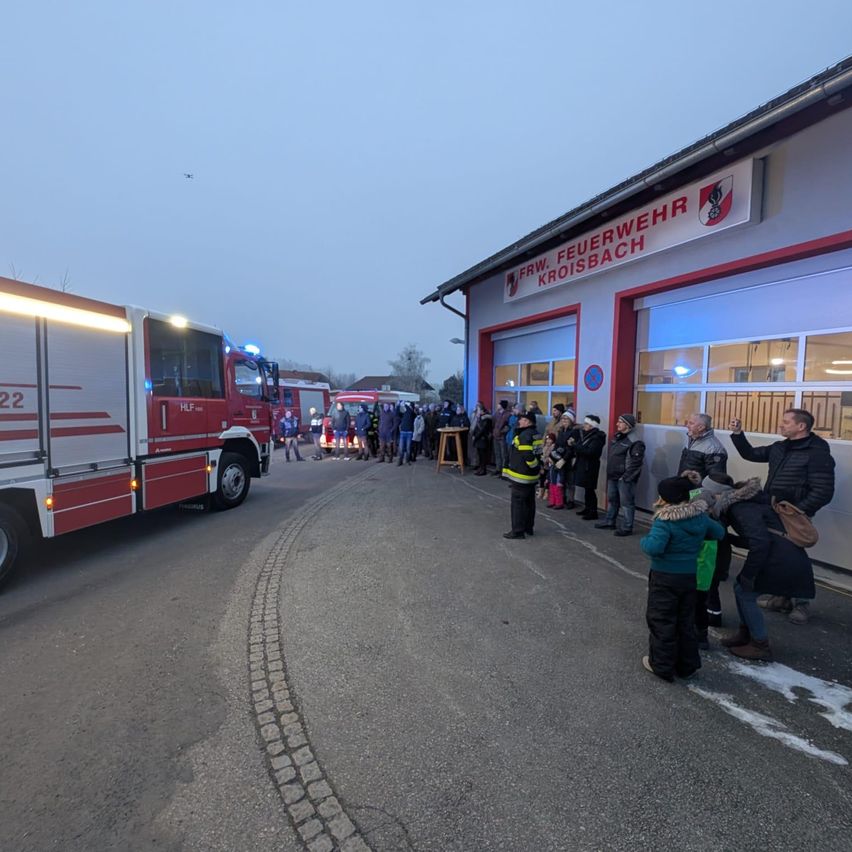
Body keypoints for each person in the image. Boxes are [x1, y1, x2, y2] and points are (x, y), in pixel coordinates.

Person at [730, 408, 835, 624]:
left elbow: (823, 491)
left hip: (793, 513)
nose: (781, 425)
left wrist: (798, 511)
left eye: (786, 422)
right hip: (773, 509)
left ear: (801, 426)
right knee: (778, 555)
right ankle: (781, 598)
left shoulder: (817, 453)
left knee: (796, 558)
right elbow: (750, 454)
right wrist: (738, 435)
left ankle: (802, 603)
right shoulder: (779, 448)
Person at [714, 477, 816, 660]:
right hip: (783, 556)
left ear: (720, 495)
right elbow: (759, 536)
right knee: (740, 589)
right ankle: (746, 634)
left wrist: (749, 574)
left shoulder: (741, 508)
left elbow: (760, 542)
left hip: (781, 560)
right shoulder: (752, 503)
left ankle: (760, 644)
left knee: (745, 592)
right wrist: (729, 539)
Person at [640, 476, 726, 681]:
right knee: (685, 619)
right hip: (688, 577)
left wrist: (644, 541)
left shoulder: (665, 520)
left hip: (664, 577)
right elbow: (719, 533)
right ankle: (687, 665)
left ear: (666, 498)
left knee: (662, 619)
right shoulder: (700, 517)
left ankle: (661, 665)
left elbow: (654, 548)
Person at [678, 413, 728, 626]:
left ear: (701, 426)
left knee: (706, 567)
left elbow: (714, 482)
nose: (686, 424)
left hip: (699, 502)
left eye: (690, 422)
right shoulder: (693, 440)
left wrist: (700, 501)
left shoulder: (714, 448)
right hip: (689, 497)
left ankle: (711, 613)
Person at [595, 413, 645, 536]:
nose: (617, 424)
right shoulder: (618, 437)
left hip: (625, 478)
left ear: (627, 425)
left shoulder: (635, 442)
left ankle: (627, 527)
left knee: (627, 503)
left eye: (620, 422)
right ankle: (610, 521)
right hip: (613, 475)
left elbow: (636, 463)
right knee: (612, 499)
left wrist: (626, 477)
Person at [502, 410, 542, 539]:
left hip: (522, 475)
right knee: (529, 502)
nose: (519, 421)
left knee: (518, 503)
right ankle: (528, 527)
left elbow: (528, 455)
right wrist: (535, 468)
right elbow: (538, 453)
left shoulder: (524, 435)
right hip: (531, 476)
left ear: (528, 422)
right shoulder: (536, 434)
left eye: (522, 420)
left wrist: (532, 465)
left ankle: (518, 531)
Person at [572, 415, 606, 520]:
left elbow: (590, 452)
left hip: (590, 466)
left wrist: (575, 446)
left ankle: (593, 511)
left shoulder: (597, 437)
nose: (584, 425)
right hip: (584, 464)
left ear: (592, 425)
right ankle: (587, 508)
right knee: (586, 489)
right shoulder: (587, 435)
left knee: (590, 489)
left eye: (586, 424)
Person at [678, 413, 728, 478]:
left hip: (698, 487)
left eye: (691, 423)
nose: (687, 425)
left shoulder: (714, 448)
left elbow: (716, 478)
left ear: (701, 427)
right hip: (684, 485)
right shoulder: (691, 440)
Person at [553, 410, 579, 508]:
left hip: (569, 459)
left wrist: (564, 459)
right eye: (563, 418)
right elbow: (557, 445)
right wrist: (554, 456)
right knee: (561, 479)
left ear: (571, 420)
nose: (564, 420)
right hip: (559, 458)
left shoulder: (574, 432)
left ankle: (571, 501)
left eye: (566, 418)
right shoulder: (560, 431)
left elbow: (571, 448)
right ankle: (561, 499)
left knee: (570, 481)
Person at [471, 404, 493, 475]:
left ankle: (483, 470)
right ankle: (480, 468)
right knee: (480, 455)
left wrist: (476, 436)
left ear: (482, 410)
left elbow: (482, 430)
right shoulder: (480, 418)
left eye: (478, 410)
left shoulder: (486, 418)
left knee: (483, 456)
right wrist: (474, 435)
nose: (477, 412)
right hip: (479, 439)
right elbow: (476, 428)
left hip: (483, 439)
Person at [491, 400, 511, 476]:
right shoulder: (496, 413)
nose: (497, 405)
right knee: (497, 453)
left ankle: (504, 470)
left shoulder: (507, 415)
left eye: (499, 404)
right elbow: (493, 423)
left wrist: (501, 431)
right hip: (495, 436)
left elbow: (508, 426)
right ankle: (498, 468)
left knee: (504, 454)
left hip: (502, 437)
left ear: (502, 405)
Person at [397, 401, 416, 465]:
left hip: (409, 433)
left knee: (408, 448)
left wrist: (405, 404)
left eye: (411, 406)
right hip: (402, 432)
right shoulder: (404, 413)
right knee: (401, 448)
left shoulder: (413, 413)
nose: (409, 407)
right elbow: (397, 413)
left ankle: (407, 460)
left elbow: (409, 411)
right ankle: (400, 461)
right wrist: (398, 405)